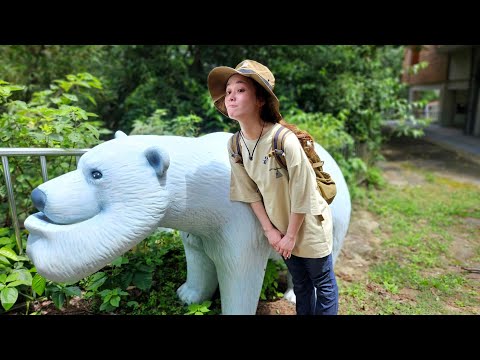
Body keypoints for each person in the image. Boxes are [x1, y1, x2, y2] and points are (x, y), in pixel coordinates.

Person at [207, 59, 338, 315]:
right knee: (300, 283)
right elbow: (248, 191)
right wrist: (271, 232)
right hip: (279, 229)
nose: (231, 96)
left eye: (241, 90)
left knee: (322, 284)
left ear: (260, 100)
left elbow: (304, 191)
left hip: (308, 223)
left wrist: (290, 236)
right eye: (229, 91)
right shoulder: (235, 145)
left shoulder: (283, 140)